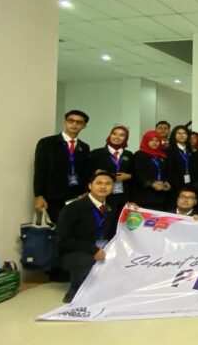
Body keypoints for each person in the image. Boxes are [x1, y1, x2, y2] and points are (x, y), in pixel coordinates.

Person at [57, 171, 118, 303]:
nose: (103, 186)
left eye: (108, 183)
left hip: (102, 249)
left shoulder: (111, 208)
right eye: (99, 183)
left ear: (113, 187)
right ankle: (76, 290)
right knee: (85, 260)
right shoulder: (73, 208)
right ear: (90, 186)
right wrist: (93, 250)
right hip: (76, 252)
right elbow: (64, 240)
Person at [34, 110, 91, 224]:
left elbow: (84, 171)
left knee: (73, 229)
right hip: (52, 197)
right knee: (56, 229)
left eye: (79, 122)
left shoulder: (84, 147)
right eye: (71, 120)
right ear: (65, 122)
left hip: (76, 196)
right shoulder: (46, 143)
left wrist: (85, 191)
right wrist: (38, 196)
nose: (74, 124)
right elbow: (40, 170)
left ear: (84, 126)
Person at [88, 125, 133, 217]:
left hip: (123, 196)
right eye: (114, 134)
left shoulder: (129, 155)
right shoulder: (96, 153)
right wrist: (96, 172)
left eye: (122, 135)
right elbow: (87, 172)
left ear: (126, 138)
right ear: (110, 135)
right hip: (102, 194)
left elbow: (135, 173)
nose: (117, 137)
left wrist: (128, 176)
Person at [132, 130, 171, 210]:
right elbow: (137, 172)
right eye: (151, 140)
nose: (154, 143)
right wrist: (151, 183)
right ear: (146, 141)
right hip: (143, 194)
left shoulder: (162, 156)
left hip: (160, 193)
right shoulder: (139, 154)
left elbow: (165, 171)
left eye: (157, 141)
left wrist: (166, 182)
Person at [166, 125, 194, 200]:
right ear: (174, 135)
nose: (182, 135)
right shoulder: (169, 150)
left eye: (184, 133)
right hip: (174, 186)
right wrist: (175, 184)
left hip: (190, 184)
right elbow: (169, 169)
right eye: (179, 133)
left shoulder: (190, 150)